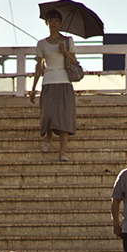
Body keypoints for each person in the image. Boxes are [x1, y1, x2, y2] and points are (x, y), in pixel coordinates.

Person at [29, 8, 76, 162]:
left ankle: (62, 153)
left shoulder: (67, 41)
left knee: (64, 117)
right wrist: (33, 89)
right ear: (46, 23)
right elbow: (39, 67)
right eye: (50, 20)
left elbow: (74, 62)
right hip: (48, 81)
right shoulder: (42, 43)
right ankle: (48, 137)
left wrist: (65, 52)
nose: (53, 23)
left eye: (56, 20)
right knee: (48, 113)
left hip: (64, 81)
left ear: (60, 23)